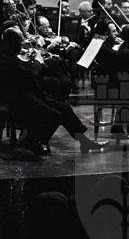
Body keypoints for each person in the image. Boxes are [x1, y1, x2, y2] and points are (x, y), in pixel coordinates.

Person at [0, 27, 107, 156]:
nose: (22, 45)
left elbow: (25, 75)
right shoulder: (6, 59)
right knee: (54, 115)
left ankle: (84, 142)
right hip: (16, 99)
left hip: (28, 94)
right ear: (11, 42)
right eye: (20, 41)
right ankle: (30, 141)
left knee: (64, 107)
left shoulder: (11, 55)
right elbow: (25, 78)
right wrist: (37, 65)